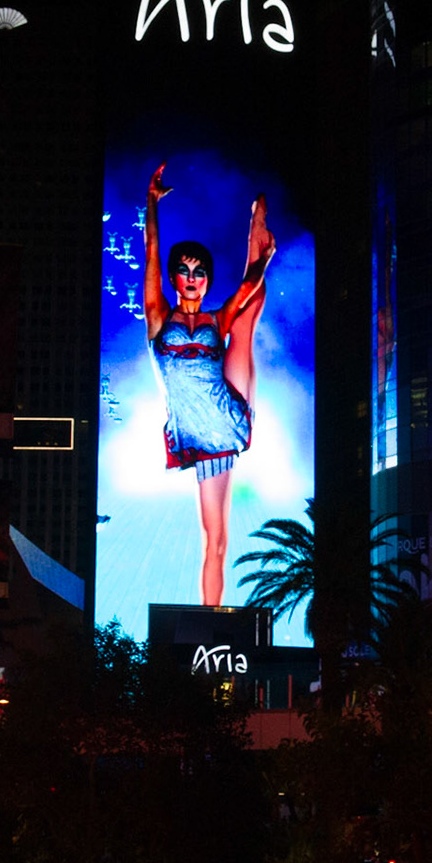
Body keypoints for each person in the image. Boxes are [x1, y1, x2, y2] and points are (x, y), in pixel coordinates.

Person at [142, 163, 276, 606]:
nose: (192, 277)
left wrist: (263, 259)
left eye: (199, 272)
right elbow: (152, 250)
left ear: (206, 280)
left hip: (224, 413)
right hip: (200, 436)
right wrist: (152, 202)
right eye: (184, 270)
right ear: (174, 277)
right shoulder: (158, 316)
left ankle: (256, 232)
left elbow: (246, 289)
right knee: (213, 539)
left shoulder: (215, 320)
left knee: (246, 319)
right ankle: (210, 620)